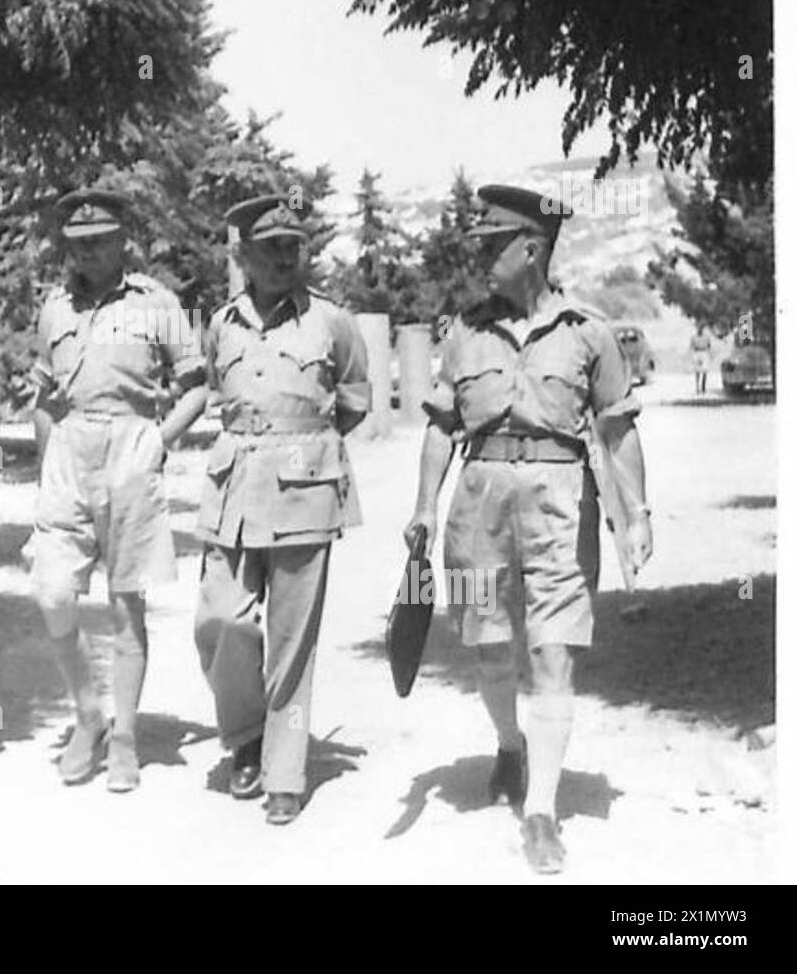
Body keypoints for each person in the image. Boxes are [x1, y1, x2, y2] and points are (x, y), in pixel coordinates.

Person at [403, 185, 653, 874]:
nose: (480, 253)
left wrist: (637, 516)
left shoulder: (587, 331)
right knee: (486, 649)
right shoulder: (464, 331)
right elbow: (440, 425)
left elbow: (617, 428)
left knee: (553, 652)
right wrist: (424, 506)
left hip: (558, 506)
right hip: (477, 503)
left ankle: (541, 809)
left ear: (532, 249)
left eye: (493, 243)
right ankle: (510, 744)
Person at [193, 194, 371, 825]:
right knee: (220, 620)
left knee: (293, 642)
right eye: (270, 249)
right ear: (243, 256)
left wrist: (305, 447)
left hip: (305, 488)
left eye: (293, 247)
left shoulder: (333, 321)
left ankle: (284, 772)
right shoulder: (220, 323)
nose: (284, 259)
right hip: (234, 483)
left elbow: (353, 402)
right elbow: (217, 386)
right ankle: (246, 734)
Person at [30, 189, 208, 792]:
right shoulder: (54, 307)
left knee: (126, 604)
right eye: (77, 244)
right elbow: (42, 391)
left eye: (100, 241)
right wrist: (46, 452)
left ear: (123, 241)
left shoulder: (157, 304)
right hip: (69, 452)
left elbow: (194, 388)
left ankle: (125, 735)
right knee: (53, 592)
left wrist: (159, 443)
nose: (87, 253)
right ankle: (87, 717)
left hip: (132, 446)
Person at [690, 324, 713, 395]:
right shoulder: (693, 337)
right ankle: (697, 386)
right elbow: (692, 345)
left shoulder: (706, 337)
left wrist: (709, 353)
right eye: (698, 328)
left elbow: (709, 345)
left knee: (705, 370)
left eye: (701, 328)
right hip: (697, 352)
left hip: (704, 352)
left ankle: (703, 386)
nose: (699, 330)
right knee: (697, 370)